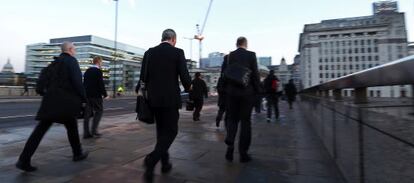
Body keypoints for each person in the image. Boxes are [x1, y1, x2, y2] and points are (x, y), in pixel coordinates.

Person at [16, 42, 88, 172]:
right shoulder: (71, 61)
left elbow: (40, 86)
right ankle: (77, 154)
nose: (75, 52)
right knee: (72, 127)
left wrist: (48, 94)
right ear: (70, 50)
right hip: (66, 103)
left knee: (40, 131)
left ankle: (23, 159)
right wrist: (84, 98)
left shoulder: (53, 64)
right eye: (75, 49)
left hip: (50, 102)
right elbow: (78, 82)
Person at [139, 29, 191, 181]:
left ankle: (165, 163)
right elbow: (185, 76)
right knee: (171, 131)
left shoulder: (149, 52)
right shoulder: (177, 52)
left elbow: (143, 76)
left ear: (162, 38)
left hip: (153, 100)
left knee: (161, 132)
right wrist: (190, 90)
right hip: (170, 99)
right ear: (173, 39)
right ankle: (152, 159)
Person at [222, 37, 260, 163]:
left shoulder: (230, 56)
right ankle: (243, 153)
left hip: (232, 93)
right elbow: (255, 74)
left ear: (236, 44)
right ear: (246, 44)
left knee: (232, 119)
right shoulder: (251, 55)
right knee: (245, 122)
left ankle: (230, 143)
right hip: (246, 93)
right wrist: (258, 91)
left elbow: (226, 74)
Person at [83, 56, 108, 139]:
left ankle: (86, 133)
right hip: (96, 96)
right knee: (99, 111)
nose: (101, 64)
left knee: (87, 114)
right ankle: (94, 131)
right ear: (99, 62)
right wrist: (105, 94)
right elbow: (100, 84)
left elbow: (84, 84)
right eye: (101, 62)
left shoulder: (87, 71)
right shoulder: (98, 71)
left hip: (87, 95)